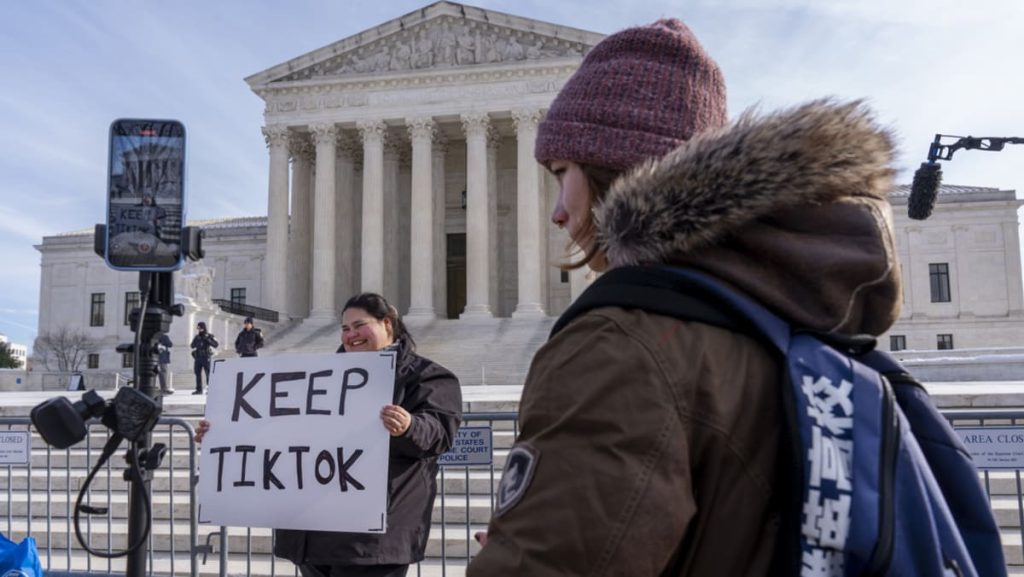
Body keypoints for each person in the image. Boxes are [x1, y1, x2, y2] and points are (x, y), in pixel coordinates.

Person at [467, 18, 901, 576]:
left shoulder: (623, 348)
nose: (555, 211)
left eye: (560, 172)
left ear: (611, 167)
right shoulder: (781, 314)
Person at [196, 293, 463, 577]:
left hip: (372, 541)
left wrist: (409, 426)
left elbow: (439, 433)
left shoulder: (427, 377)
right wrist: (225, 433)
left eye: (359, 325)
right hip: (312, 534)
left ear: (387, 324)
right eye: (345, 328)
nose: (351, 335)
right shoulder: (315, 378)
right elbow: (279, 433)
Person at [189, 321, 219, 395]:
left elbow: (216, 344)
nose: (199, 330)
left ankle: (210, 389)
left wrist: (207, 339)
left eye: (200, 328)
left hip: (206, 357)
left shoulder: (209, 335)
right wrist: (196, 341)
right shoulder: (197, 337)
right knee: (197, 373)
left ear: (204, 328)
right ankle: (199, 389)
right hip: (198, 357)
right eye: (198, 328)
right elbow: (192, 345)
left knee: (208, 373)